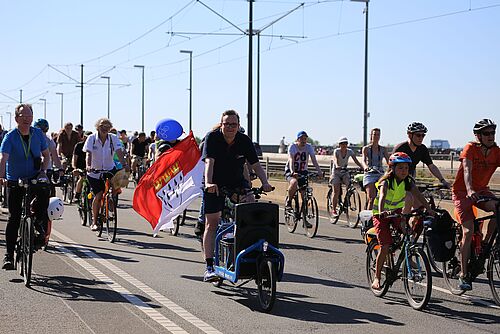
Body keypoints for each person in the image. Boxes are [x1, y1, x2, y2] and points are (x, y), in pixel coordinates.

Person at [202, 109, 273, 282]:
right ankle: (209, 267)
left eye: (234, 124)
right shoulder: (212, 138)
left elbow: (255, 165)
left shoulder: (244, 141)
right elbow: (209, 162)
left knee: (250, 207)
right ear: (221, 124)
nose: (230, 128)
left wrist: (265, 182)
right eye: (227, 124)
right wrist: (209, 183)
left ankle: (251, 255)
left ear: (238, 126)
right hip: (215, 183)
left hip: (236, 182)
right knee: (212, 223)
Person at [371, 152, 434, 290]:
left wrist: (429, 209)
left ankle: (408, 255)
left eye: (406, 168)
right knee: (385, 246)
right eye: (400, 168)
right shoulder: (386, 181)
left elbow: (419, 195)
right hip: (380, 215)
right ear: (392, 168)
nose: (404, 171)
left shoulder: (408, 181)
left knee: (408, 232)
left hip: (396, 213)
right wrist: (381, 212)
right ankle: (377, 277)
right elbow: (382, 196)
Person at [0, 104, 51, 270]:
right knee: (14, 217)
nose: (27, 118)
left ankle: (38, 224)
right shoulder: (10, 137)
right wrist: (2, 177)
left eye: (29, 115)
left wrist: (44, 171)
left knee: (45, 190)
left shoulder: (37, 134)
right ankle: (8, 255)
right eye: (23, 116)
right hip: (14, 179)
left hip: (34, 176)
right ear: (16, 118)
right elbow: (3, 158)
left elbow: (46, 155)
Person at [451, 119, 500, 291]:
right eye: (486, 133)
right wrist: (470, 189)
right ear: (478, 136)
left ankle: (486, 243)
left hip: (482, 190)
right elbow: (467, 170)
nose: (491, 136)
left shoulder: (496, 151)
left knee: (498, 209)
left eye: (493, 133)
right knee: (468, 230)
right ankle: (463, 274)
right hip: (463, 192)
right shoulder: (470, 148)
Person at [83, 118, 129, 231]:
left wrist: (124, 164)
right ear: (98, 127)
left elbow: (119, 152)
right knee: (98, 195)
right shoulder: (92, 138)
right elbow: (88, 154)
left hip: (109, 168)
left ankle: (110, 201)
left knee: (115, 187)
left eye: (108, 127)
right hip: (95, 171)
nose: (105, 129)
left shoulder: (113, 138)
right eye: (103, 126)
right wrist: (88, 166)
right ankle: (94, 221)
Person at [393, 122, 449, 187]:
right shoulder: (400, 148)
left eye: (423, 135)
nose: (421, 138)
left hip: (411, 176)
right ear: (410, 135)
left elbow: (431, 166)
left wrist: (442, 180)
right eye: (418, 135)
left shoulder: (422, 149)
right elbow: (391, 168)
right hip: (397, 178)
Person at [284, 131, 323, 221]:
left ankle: (305, 221)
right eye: (301, 139)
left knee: (304, 196)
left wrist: (319, 171)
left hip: (303, 171)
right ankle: (289, 202)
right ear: (297, 139)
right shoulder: (292, 146)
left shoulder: (309, 147)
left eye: (305, 138)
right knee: (294, 182)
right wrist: (293, 171)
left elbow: (314, 160)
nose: (303, 140)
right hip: (291, 170)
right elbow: (291, 159)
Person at [329, 136, 364, 217]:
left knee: (349, 185)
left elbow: (356, 160)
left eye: (345, 143)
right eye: (342, 143)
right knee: (336, 191)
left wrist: (362, 167)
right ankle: (334, 210)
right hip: (336, 172)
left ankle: (347, 201)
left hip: (344, 171)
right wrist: (337, 165)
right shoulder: (336, 151)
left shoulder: (350, 151)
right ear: (339, 144)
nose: (344, 145)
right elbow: (335, 159)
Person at [361, 128, 390, 210]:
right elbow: (363, 161)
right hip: (370, 174)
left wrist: (391, 169)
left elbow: (389, 162)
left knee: (384, 194)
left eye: (378, 135)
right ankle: (368, 219)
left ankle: (380, 215)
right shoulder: (366, 148)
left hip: (380, 174)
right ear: (371, 136)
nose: (376, 136)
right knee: (371, 198)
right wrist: (366, 167)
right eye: (374, 134)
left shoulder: (383, 149)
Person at [33, 118, 63, 196]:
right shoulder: (30, 139)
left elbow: (55, 156)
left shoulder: (49, 140)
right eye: (40, 129)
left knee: (50, 190)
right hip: (33, 168)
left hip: (46, 168)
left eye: (44, 130)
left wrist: (60, 168)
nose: (42, 132)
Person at [72, 131, 91, 208]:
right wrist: (75, 167)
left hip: (91, 168)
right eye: (86, 137)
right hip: (81, 166)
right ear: (83, 138)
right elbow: (74, 158)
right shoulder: (79, 146)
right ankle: (77, 194)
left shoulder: (94, 146)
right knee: (82, 178)